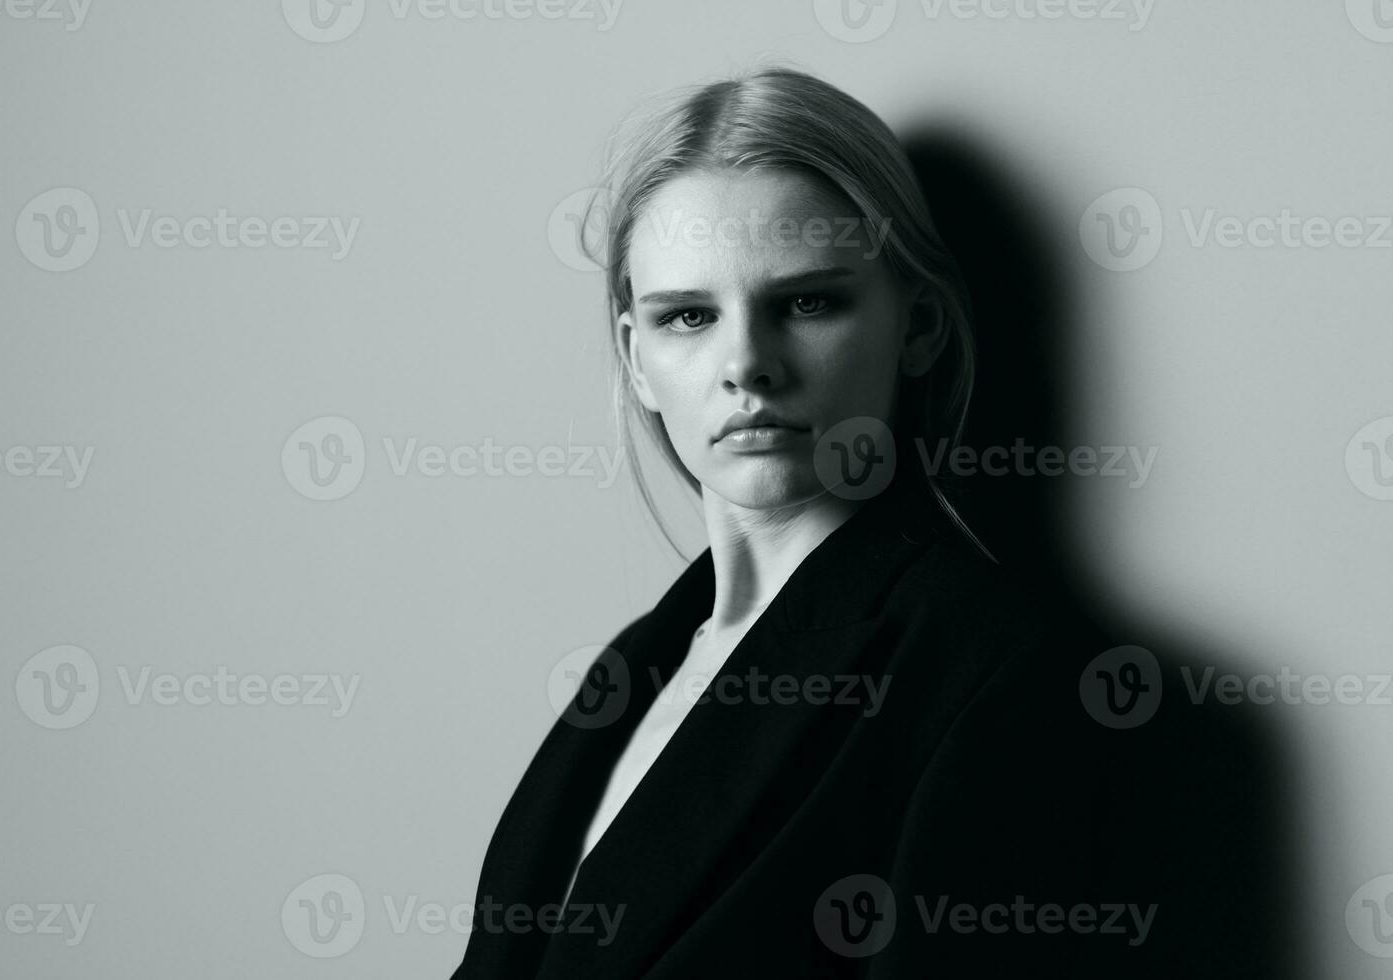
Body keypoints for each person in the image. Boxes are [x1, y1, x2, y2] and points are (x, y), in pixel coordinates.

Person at [452, 64, 1297, 979]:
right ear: (638, 360)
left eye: (807, 302)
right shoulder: (631, 668)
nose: (746, 363)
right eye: (688, 316)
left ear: (920, 326)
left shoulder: (999, 674)